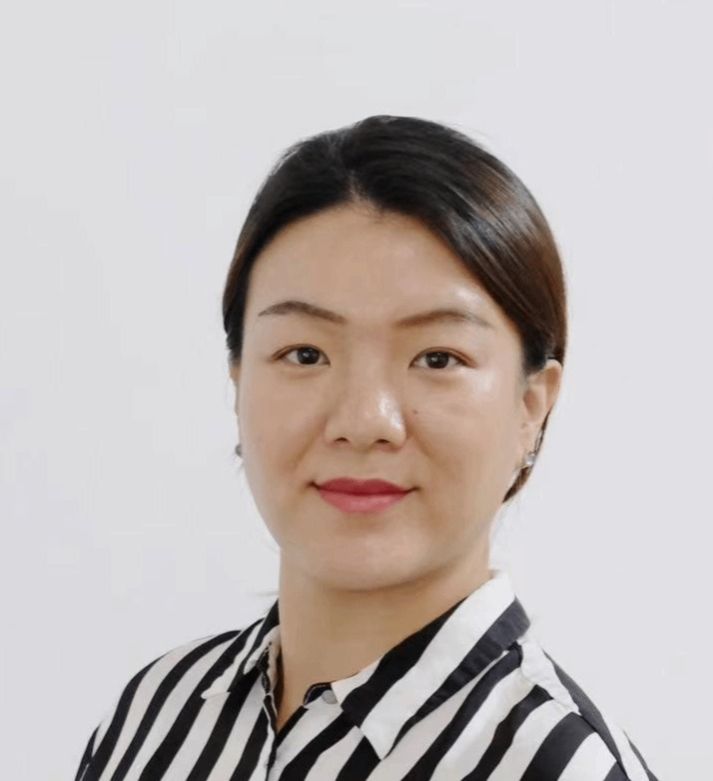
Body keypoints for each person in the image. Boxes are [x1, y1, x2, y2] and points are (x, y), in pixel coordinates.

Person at [74, 114, 659, 780]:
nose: (364, 421)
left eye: (437, 357)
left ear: (532, 405)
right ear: (238, 382)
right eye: (305, 353)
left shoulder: (560, 766)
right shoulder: (155, 715)